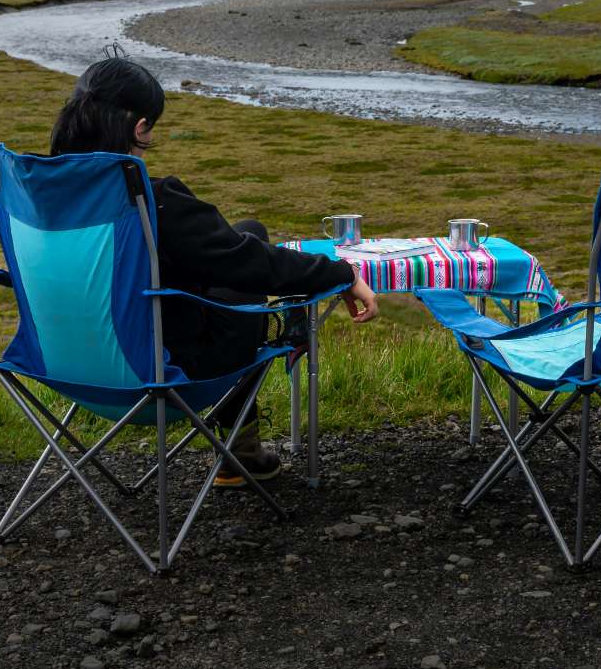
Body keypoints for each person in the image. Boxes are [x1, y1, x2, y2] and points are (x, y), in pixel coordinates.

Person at [47, 57, 378, 485]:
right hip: (158, 368)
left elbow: (230, 250)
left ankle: (243, 448)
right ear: (140, 127)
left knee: (250, 233)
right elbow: (247, 265)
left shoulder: (44, 192)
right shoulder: (149, 199)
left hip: (65, 363)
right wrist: (341, 273)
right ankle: (240, 449)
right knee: (248, 272)